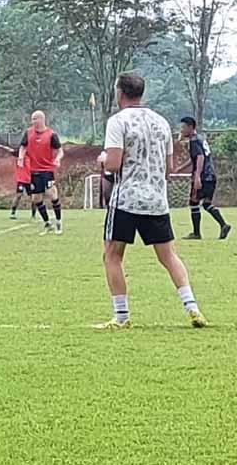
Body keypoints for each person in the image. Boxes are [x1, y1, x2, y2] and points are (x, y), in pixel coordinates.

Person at [95, 73, 207, 330]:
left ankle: (121, 317)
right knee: (168, 256)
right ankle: (193, 308)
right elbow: (167, 168)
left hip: (126, 200)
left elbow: (112, 164)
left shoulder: (117, 121)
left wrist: (103, 160)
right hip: (157, 200)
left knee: (112, 255)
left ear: (120, 93)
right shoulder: (161, 122)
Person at [179, 117, 232, 240]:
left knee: (193, 202)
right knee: (207, 204)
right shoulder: (200, 139)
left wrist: (197, 176)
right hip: (211, 176)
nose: (182, 130)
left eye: (183, 127)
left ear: (191, 127)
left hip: (203, 177)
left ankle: (196, 233)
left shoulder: (193, 141)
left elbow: (200, 157)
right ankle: (224, 225)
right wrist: (180, 168)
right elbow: (197, 157)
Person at [18, 110, 64, 235]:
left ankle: (59, 222)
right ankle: (47, 223)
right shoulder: (28, 133)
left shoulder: (51, 134)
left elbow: (60, 151)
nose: (33, 122)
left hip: (47, 169)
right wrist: (21, 157)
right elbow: (23, 147)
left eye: (35, 119)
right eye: (32, 119)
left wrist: (57, 159)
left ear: (41, 119)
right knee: (36, 198)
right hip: (34, 170)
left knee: (51, 193)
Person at [2, 144, 37, 220]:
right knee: (18, 196)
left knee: (33, 198)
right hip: (21, 180)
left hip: (30, 180)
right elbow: (12, 151)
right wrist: (3, 147)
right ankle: (13, 213)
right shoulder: (19, 156)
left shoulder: (31, 158)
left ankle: (33, 215)